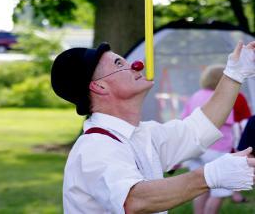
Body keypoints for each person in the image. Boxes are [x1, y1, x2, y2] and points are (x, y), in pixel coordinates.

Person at [51, 41, 255, 214]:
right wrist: (210, 176)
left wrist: (234, 73)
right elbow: (134, 199)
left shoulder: (144, 134)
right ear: (99, 86)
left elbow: (198, 129)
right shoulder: (95, 146)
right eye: (119, 63)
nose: (136, 65)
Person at [181, 65, 235, 214]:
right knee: (220, 191)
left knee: (201, 187)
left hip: (196, 147)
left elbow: (184, 118)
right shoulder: (223, 97)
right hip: (216, 149)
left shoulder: (196, 95)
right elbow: (227, 121)